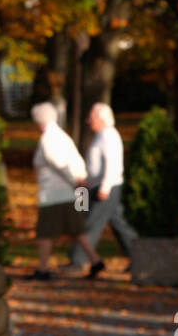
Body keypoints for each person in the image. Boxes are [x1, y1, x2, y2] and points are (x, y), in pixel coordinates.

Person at [30, 102, 102, 280]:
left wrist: (76, 181)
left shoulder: (48, 139)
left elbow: (59, 164)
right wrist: (81, 179)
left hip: (54, 193)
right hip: (69, 191)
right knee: (76, 229)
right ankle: (95, 260)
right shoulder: (62, 136)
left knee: (45, 231)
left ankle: (43, 268)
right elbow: (75, 160)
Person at [69, 102, 136, 272]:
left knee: (91, 223)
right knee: (120, 225)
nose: (88, 121)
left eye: (91, 118)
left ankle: (78, 260)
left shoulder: (109, 136)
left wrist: (105, 188)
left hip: (107, 188)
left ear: (101, 119)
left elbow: (112, 165)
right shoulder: (102, 135)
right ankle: (139, 258)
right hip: (100, 186)